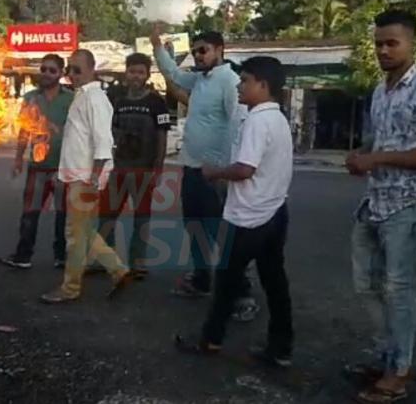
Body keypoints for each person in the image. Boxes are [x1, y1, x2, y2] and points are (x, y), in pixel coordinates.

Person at [344, 10, 416, 403]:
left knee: (398, 289)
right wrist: (363, 154)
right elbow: (381, 140)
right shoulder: (381, 90)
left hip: (405, 205)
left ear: (412, 43)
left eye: (392, 43)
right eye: (378, 43)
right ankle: (385, 355)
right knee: (366, 285)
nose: (384, 50)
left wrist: (377, 161)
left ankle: (399, 371)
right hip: (373, 201)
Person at [174, 56, 294, 367]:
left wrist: (214, 173)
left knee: (226, 284)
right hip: (274, 212)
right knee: (275, 283)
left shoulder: (256, 120)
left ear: (263, 85)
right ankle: (281, 348)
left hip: (247, 217)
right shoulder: (278, 118)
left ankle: (210, 341)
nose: (239, 86)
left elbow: (245, 169)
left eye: (246, 81)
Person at [150, 26, 257, 317]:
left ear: (219, 51)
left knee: (223, 232)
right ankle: (201, 279)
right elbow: (173, 74)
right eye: (195, 50)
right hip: (192, 167)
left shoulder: (229, 81)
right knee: (194, 225)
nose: (198, 56)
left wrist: (224, 168)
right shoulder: (200, 80)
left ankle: (241, 293)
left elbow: (238, 124)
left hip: (216, 174)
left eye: (203, 50)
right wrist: (157, 46)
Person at [40, 49, 131, 304]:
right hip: (77, 175)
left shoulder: (95, 99)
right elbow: (77, 141)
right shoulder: (82, 96)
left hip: (86, 178)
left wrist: (93, 177)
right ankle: (119, 271)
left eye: (77, 70)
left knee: (76, 236)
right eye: (70, 69)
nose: (72, 75)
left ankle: (70, 288)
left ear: (92, 70)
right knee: (85, 232)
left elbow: (103, 141)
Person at [98, 52, 170, 279]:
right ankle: (105, 260)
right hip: (118, 168)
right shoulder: (117, 100)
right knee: (107, 214)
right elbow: (108, 132)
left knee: (141, 217)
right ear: (126, 73)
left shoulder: (157, 102)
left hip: (144, 169)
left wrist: (158, 166)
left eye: (140, 72)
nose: (136, 76)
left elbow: (162, 135)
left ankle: (138, 263)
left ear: (147, 75)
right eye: (132, 71)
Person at [0, 54, 74, 270]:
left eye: (52, 70)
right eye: (44, 69)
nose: (47, 74)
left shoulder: (71, 99)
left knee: (63, 215)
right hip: (38, 167)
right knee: (30, 213)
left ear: (61, 74)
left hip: (63, 167)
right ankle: (23, 256)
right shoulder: (31, 98)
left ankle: (62, 257)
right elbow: (24, 130)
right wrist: (18, 159)